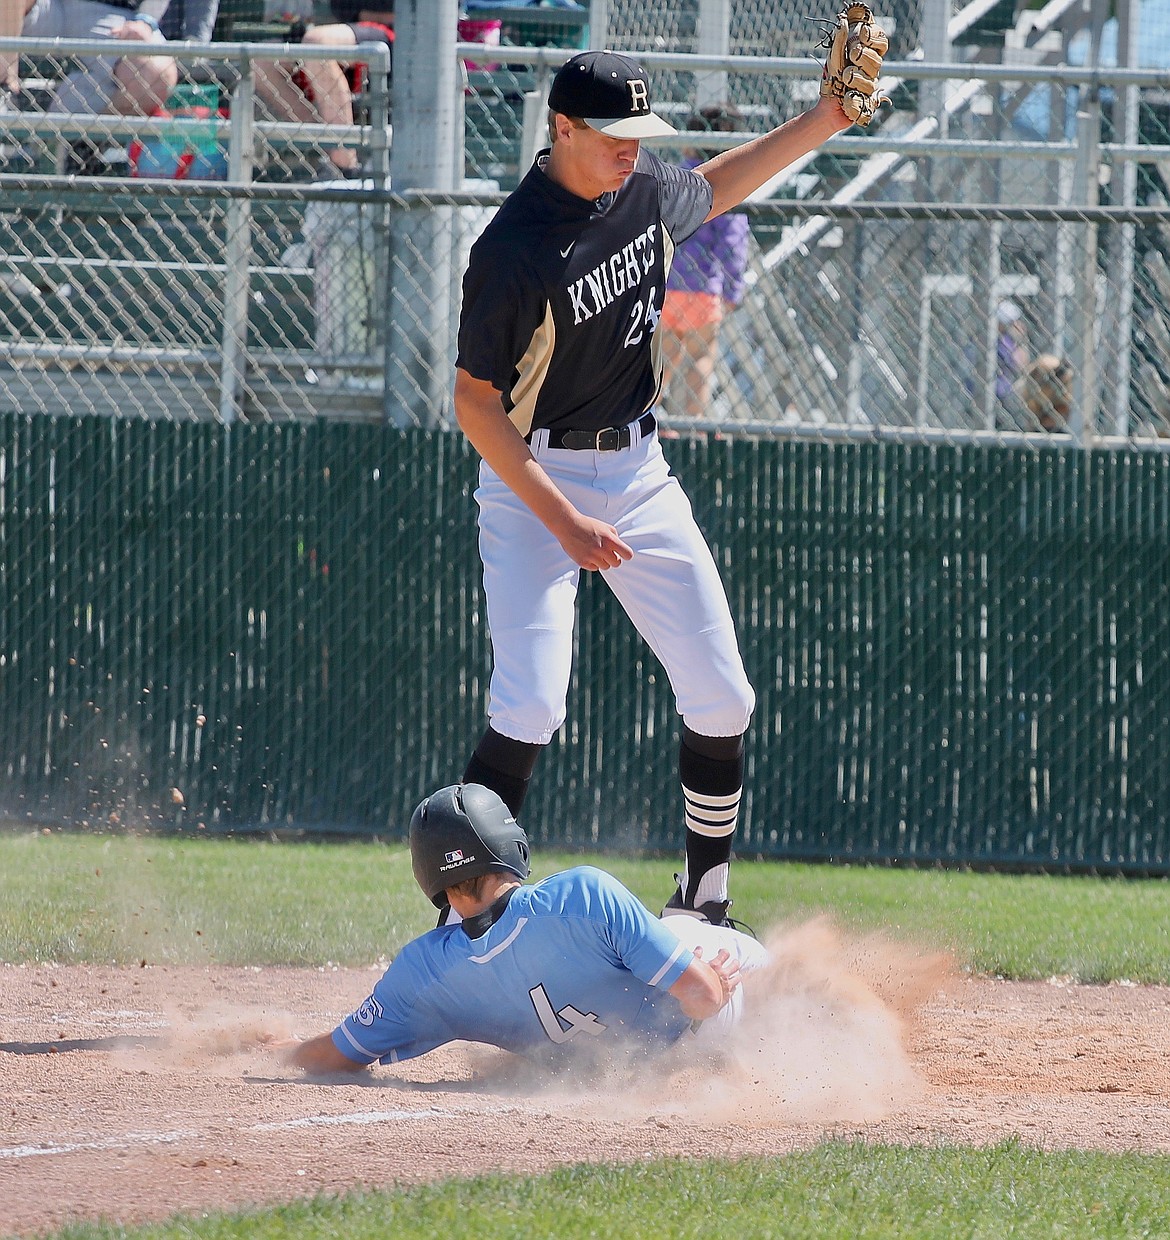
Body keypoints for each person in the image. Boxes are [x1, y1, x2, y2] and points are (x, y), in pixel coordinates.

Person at [452, 48, 883, 927]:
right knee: (531, 701)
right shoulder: (512, 248)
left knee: (724, 695)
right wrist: (564, 519)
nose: (631, 150)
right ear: (562, 128)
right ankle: (467, 915)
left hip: (640, 470)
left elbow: (716, 187)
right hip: (534, 475)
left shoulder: (642, 187)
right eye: (614, 135)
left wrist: (824, 121)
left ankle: (704, 897)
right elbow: (474, 407)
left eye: (639, 136)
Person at [283, 783, 768, 1075]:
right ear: (509, 846)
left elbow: (333, 1055)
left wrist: (275, 1051)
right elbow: (704, 997)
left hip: (633, 1067)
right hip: (707, 1014)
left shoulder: (421, 973)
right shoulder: (582, 895)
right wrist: (714, 984)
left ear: (433, 881)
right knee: (794, 979)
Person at [659, 103, 751, 423]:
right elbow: (732, 243)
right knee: (701, 356)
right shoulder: (727, 184)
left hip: (667, 285)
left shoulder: (675, 178)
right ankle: (692, 423)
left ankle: (650, 419)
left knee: (663, 357)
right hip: (704, 289)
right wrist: (732, 289)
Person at [252, 0, 394, 178]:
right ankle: (327, 145)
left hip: (394, 32)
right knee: (261, 60)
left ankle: (345, 166)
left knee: (318, 42)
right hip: (342, 28)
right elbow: (341, 8)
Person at [2, 0, 178, 130]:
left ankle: (73, 142)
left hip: (110, 14)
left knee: (155, 74)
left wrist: (145, 20)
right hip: (48, 6)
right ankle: (4, 87)